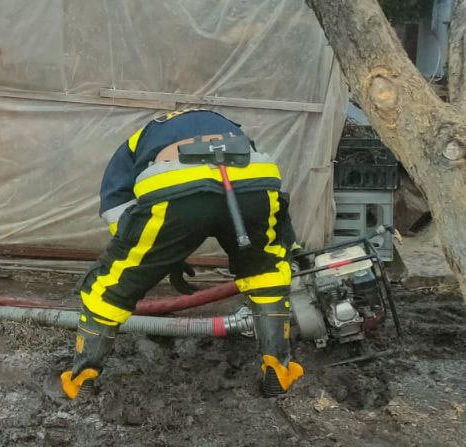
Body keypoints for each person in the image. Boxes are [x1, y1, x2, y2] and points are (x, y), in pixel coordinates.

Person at [60, 108, 303, 400]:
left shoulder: (137, 141)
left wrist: (156, 252)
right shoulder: (225, 123)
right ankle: (278, 368)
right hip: (253, 179)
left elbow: (118, 210)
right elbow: (259, 198)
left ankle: (81, 379)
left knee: (111, 284)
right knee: (266, 272)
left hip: (175, 183)